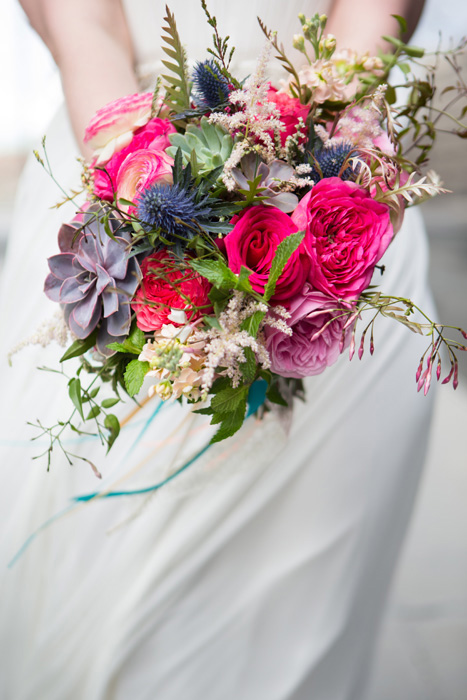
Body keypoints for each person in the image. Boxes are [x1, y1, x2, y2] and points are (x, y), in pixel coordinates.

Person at [0, 1, 433, 698]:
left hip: (343, 199)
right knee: (115, 608)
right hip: (113, 191)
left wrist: (330, 157)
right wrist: (137, 181)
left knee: (297, 630)